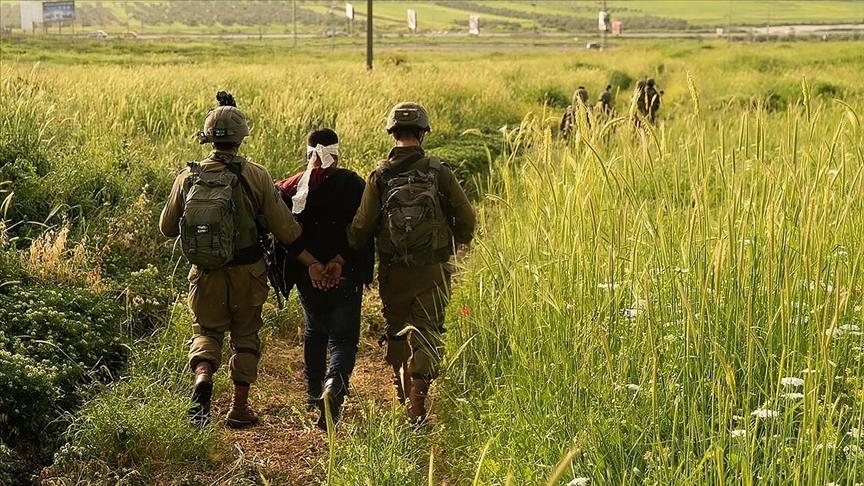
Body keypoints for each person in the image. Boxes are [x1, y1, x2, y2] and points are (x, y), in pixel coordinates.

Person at [160, 92, 327, 429]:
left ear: (208, 137)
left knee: (206, 331)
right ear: (240, 138)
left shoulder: (188, 177)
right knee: (246, 336)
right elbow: (285, 230)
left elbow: (167, 227)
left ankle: (202, 378)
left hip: (206, 273)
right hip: (248, 273)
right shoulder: (256, 175)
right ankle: (238, 409)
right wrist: (312, 260)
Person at [347, 101, 476, 425]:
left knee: (395, 328)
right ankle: (417, 403)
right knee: (428, 330)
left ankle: (400, 385)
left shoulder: (380, 175)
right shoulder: (438, 170)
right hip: (432, 267)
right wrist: (455, 243)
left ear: (392, 132)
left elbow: (361, 227)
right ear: (423, 132)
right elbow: (467, 218)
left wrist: (351, 246)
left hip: (393, 269)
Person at [273, 128, 372, 430]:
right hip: (346, 274)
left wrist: (313, 265)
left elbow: (283, 234)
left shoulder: (290, 188)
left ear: (307, 154)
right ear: (337, 154)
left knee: (315, 331)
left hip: (309, 276)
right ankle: (334, 387)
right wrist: (339, 261)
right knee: (343, 340)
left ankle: (313, 392)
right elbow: (364, 228)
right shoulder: (355, 184)